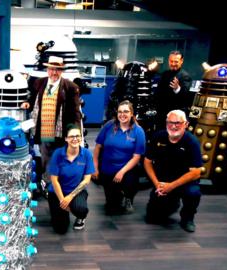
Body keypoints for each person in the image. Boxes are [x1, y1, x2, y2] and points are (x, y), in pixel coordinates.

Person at [21, 56, 82, 186]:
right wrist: (27, 104)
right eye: (52, 69)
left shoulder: (71, 87)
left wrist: (76, 132)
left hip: (61, 132)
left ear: (62, 71)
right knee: (45, 158)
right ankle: (47, 182)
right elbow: (32, 99)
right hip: (42, 130)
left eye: (58, 70)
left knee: (58, 159)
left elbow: (75, 112)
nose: (54, 73)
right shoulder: (39, 83)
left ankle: (51, 185)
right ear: (47, 69)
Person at [144, 110, 202, 232]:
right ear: (166, 123)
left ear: (185, 124)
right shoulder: (158, 137)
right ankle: (172, 202)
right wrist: (157, 184)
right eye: (170, 122)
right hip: (162, 182)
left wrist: (171, 186)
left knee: (193, 193)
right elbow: (147, 162)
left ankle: (188, 218)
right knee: (152, 218)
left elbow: (196, 172)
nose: (174, 126)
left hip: (183, 182)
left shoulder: (192, 142)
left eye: (178, 123)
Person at [92, 100, 146, 214]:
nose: (122, 114)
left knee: (130, 181)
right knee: (111, 207)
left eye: (126, 111)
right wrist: (95, 167)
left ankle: (128, 197)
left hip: (127, 169)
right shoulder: (109, 125)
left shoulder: (138, 131)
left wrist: (121, 172)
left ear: (132, 113)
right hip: (107, 168)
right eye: (120, 112)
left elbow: (137, 157)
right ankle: (118, 194)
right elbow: (97, 147)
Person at [47, 124, 94, 234]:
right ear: (66, 139)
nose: (75, 139)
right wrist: (63, 200)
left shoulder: (86, 154)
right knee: (61, 229)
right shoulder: (58, 154)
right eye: (71, 136)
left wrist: (70, 197)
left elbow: (87, 180)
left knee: (80, 209)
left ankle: (80, 217)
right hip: (57, 192)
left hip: (76, 191)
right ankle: (59, 212)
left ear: (81, 138)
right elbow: (54, 180)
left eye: (78, 136)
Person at [155, 50, 193, 130]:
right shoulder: (164, 74)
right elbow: (158, 93)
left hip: (176, 117)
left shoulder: (185, 76)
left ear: (181, 61)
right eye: (171, 61)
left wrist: (177, 89)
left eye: (176, 62)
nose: (173, 64)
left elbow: (186, 97)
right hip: (162, 115)